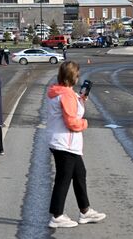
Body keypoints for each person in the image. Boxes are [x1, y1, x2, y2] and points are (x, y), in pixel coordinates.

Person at [46, 61, 106, 228]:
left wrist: (80, 100)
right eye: (77, 75)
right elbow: (72, 122)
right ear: (72, 77)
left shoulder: (59, 92)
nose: (79, 77)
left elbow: (68, 110)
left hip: (61, 141)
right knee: (63, 179)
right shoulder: (66, 95)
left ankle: (85, 211)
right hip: (66, 142)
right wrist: (85, 123)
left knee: (80, 174)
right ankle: (57, 215)